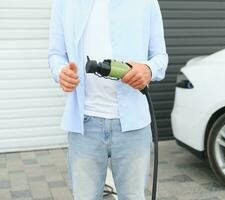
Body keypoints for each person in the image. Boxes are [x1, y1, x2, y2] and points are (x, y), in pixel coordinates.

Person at [48, 0, 168, 199]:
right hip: (84, 126)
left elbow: (160, 57)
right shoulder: (64, 3)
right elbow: (56, 54)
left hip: (133, 126)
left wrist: (148, 69)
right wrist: (61, 72)